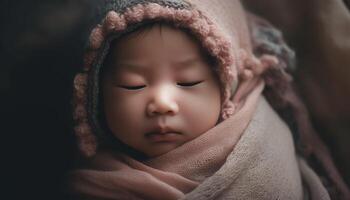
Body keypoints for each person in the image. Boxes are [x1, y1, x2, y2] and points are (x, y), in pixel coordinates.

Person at [67, 0, 349, 199]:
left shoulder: (268, 149)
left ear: (230, 81)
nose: (162, 103)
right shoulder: (99, 183)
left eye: (188, 81)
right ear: (94, 93)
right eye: (133, 85)